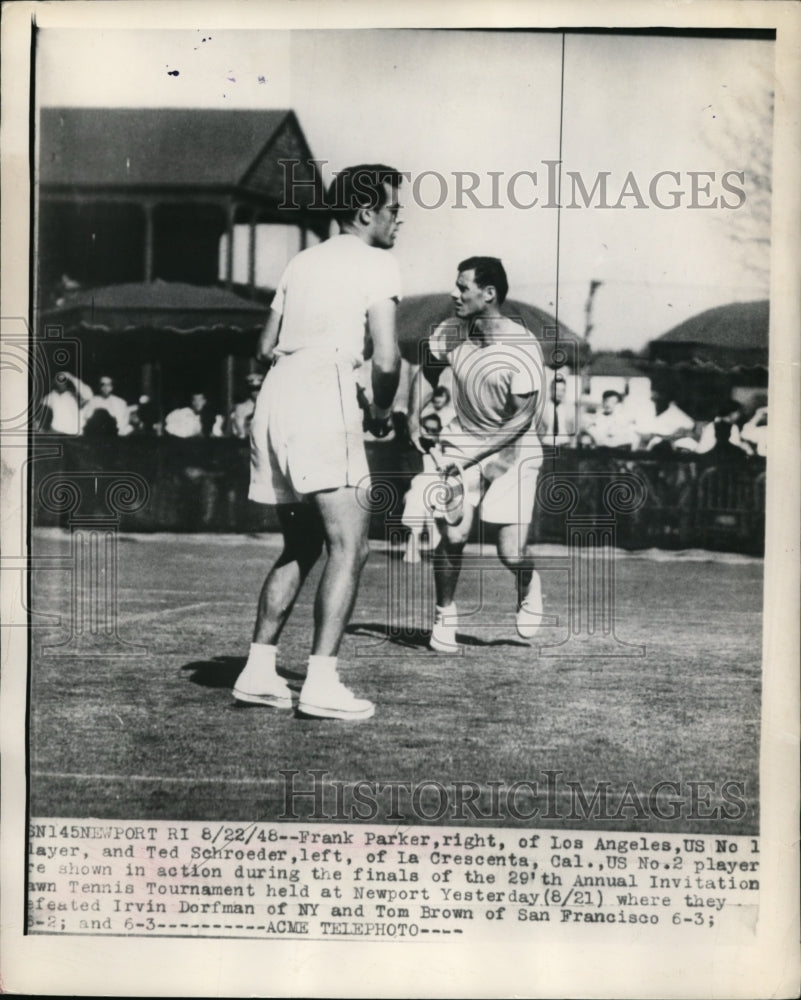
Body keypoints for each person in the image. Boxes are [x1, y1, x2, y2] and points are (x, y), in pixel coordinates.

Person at [232, 164, 403, 720]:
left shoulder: (302, 260)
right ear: (365, 213)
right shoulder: (378, 262)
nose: (398, 220)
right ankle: (321, 684)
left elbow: (264, 345)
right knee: (351, 546)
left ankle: (258, 672)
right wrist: (379, 409)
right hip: (324, 394)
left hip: (277, 395)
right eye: (392, 209)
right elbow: (386, 358)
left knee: (302, 545)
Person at [408, 257, 546, 652]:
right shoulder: (452, 330)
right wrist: (413, 418)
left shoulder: (521, 346)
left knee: (510, 552)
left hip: (515, 447)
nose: (454, 294)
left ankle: (528, 582)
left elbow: (521, 421)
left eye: (463, 287)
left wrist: (480, 463)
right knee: (453, 533)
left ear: (489, 294)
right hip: (462, 440)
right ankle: (444, 616)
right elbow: (428, 371)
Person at [400, 411, 443, 563]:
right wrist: (408, 490)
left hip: (440, 491)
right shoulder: (411, 452)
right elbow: (406, 477)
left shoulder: (444, 452)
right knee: (417, 495)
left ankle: (436, 546)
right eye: (427, 429)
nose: (430, 433)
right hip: (418, 492)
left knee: (429, 499)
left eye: (434, 430)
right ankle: (415, 545)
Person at [633, 383, 695, 452]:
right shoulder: (645, 411)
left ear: (666, 397)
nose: (654, 399)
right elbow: (639, 431)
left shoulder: (681, 418)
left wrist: (672, 437)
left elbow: (688, 427)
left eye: (659, 396)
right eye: (653, 397)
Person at [41, 370, 93, 435]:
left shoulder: (75, 396)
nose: (60, 383)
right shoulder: (52, 396)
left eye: (63, 380)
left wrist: (70, 377)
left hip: (74, 433)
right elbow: (40, 407)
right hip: (55, 431)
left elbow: (89, 395)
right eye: (58, 379)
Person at [539, 373, 577, 447]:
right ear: (551, 389)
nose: (560, 393)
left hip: (565, 445)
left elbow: (574, 430)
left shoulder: (570, 408)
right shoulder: (542, 408)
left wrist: (572, 446)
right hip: (546, 445)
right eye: (557, 389)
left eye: (562, 390)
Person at [230, 373, 264, 439]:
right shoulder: (241, 408)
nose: (256, 392)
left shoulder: (269, 406)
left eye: (258, 389)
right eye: (252, 389)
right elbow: (240, 433)